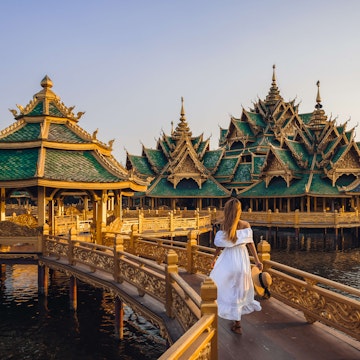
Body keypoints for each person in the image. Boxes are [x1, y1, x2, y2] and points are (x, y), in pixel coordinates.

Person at [209, 198, 263, 334]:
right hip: (241, 259)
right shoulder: (245, 225)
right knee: (239, 289)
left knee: (227, 287)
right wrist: (257, 261)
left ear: (226, 211)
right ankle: (237, 323)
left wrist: (214, 258)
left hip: (228, 259)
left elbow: (219, 246)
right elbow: (251, 244)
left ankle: (231, 317)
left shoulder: (223, 225)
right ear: (239, 211)